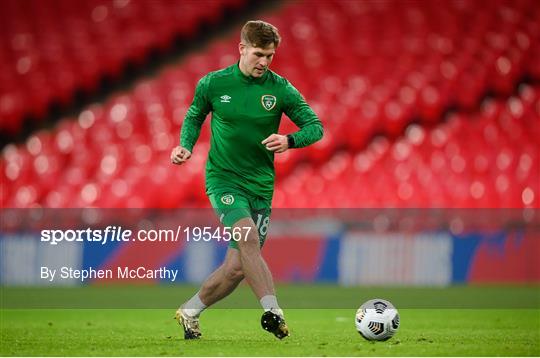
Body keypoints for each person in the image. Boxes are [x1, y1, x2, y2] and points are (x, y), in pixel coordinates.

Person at [170, 20, 323, 340]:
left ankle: (190, 310)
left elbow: (315, 127)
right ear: (241, 49)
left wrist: (289, 140)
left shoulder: (281, 89)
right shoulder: (214, 83)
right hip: (223, 180)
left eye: (270, 55)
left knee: (237, 268)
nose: (264, 62)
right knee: (248, 237)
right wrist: (185, 144)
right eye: (258, 54)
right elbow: (195, 114)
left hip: (261, 187)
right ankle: (273, 312)